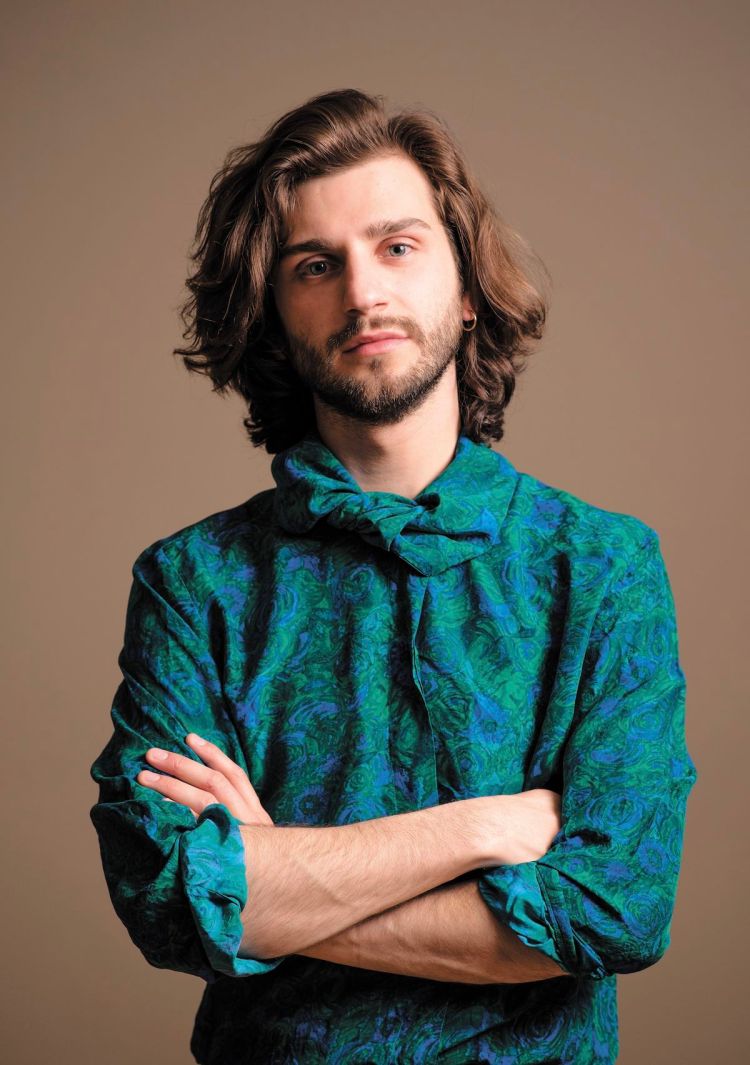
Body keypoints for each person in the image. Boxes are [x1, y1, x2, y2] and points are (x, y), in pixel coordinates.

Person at [89, 88, 697, 1064]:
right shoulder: (191, 583)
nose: (363, 293)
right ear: (273, 313)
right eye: (315, 265)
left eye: (399, 246)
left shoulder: (604, 567)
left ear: (467, 287)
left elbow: (614, 911)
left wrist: (269, 882)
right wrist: (482, 829)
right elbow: (166, 896)